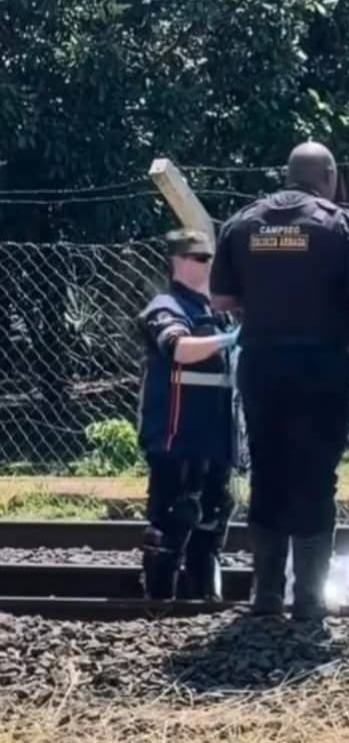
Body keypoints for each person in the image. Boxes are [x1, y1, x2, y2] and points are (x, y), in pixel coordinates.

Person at [210, 142, 349, 623]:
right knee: (317, 476)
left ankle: (266, 597)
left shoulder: (243, 222)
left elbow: (220, 299)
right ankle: (311, 600)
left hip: (261, 366)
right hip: (322, 368)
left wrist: (270, 297)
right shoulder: (346, 227)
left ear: (288, 174)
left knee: (269, 473)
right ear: (330, 176)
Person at [137, 229, 239, 600]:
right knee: (174, 517)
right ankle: (159, 604)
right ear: (177, 261)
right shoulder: (166, 307)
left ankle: (201, 601)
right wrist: (230, 340)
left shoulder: (217, 312)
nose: (209, 265)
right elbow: (178, 348)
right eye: (201, 258)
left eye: (210, 258)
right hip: (176, 436)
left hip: (216, 436)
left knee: (212, 517)